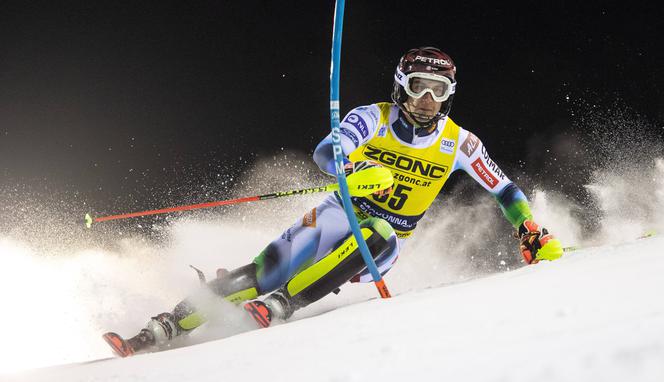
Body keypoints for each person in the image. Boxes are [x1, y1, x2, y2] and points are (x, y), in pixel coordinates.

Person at [103, 46, 563, 357]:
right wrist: (353, 168)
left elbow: (504, 189)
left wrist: (527, 227)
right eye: (419, 86)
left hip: (385, 238)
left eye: (437, 90)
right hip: (337, 211)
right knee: (264, 270)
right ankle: (165, 326)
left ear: (449, 96)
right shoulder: (371, 118)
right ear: (401, 86)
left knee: (380, 233)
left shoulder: (460, 142)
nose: (426, 99)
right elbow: (328, 152)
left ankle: (284, 304)